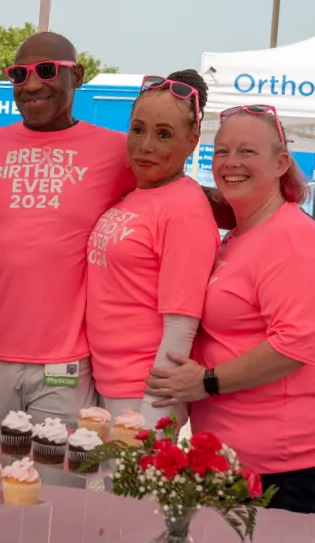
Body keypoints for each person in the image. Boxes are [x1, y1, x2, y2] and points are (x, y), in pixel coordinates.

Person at [0, 33, 234, 453]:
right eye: (20, 73)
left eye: (47, 70)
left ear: (77, 76)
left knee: (63, 490)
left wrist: (270, 208)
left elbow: (172, 184)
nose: (32, 83)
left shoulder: (115, 151)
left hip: (67, 361)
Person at [146, 104, 315, 514]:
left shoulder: (294, 241)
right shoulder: (242, 233)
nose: (230, 163)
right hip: (237, 453)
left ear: (281, 163)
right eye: (221, 152)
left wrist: (206, 382)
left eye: (247, 152)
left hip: (288, 457)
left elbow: (296, 345)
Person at [85, 71, 220, 424]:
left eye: (163, 134)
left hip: (142, 393)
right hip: (107, 382)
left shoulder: (185, 208)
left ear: (192, 142)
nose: (145, 145)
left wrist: (152, 413)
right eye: (138, 129)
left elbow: (181, 325)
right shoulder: (139, 193)